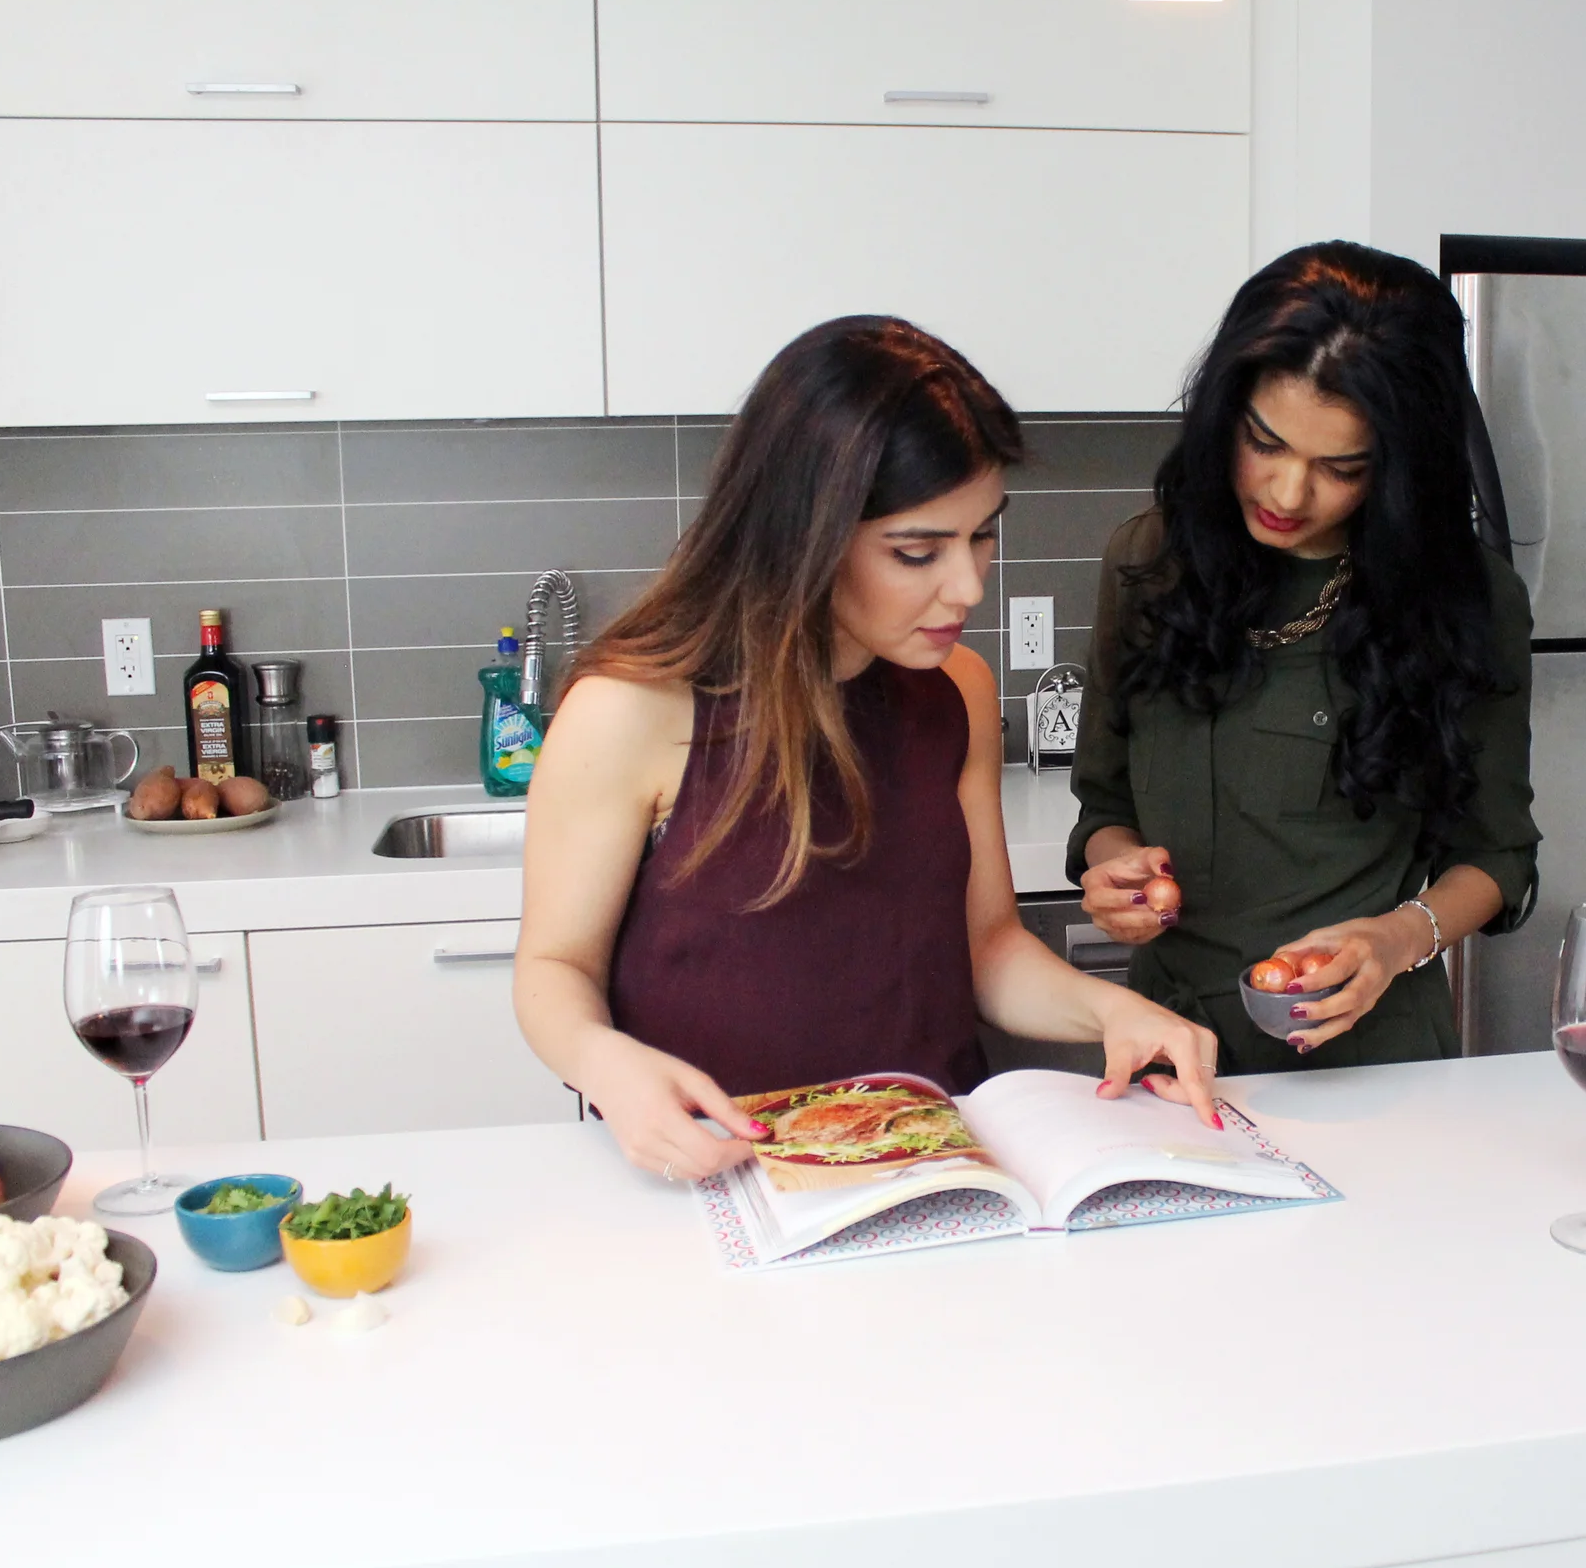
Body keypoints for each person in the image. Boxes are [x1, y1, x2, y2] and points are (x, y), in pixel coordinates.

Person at [515, 316, 1221, 1182]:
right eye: (918, 551)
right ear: (803, 533)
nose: (967, 586)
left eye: (982, 535)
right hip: (722, 1175)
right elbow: (553, 967)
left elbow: (990, 949)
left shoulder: (958, 689)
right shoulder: (629, 709)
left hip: (929, 1167)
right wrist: (605, 1064)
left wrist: (1112, 1010)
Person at [1070, 242, 1539, 1071]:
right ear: (1226, 412)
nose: (1287, 493)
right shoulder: (1147, 564)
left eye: (1340, 468)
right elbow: (1105, 805)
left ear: (1395, 468)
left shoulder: (1461, 599)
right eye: (1265, 442)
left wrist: (1397, 938)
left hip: (1368, 1061)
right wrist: (1117, 874)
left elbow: (1498, 854)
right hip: (1172, 1054)